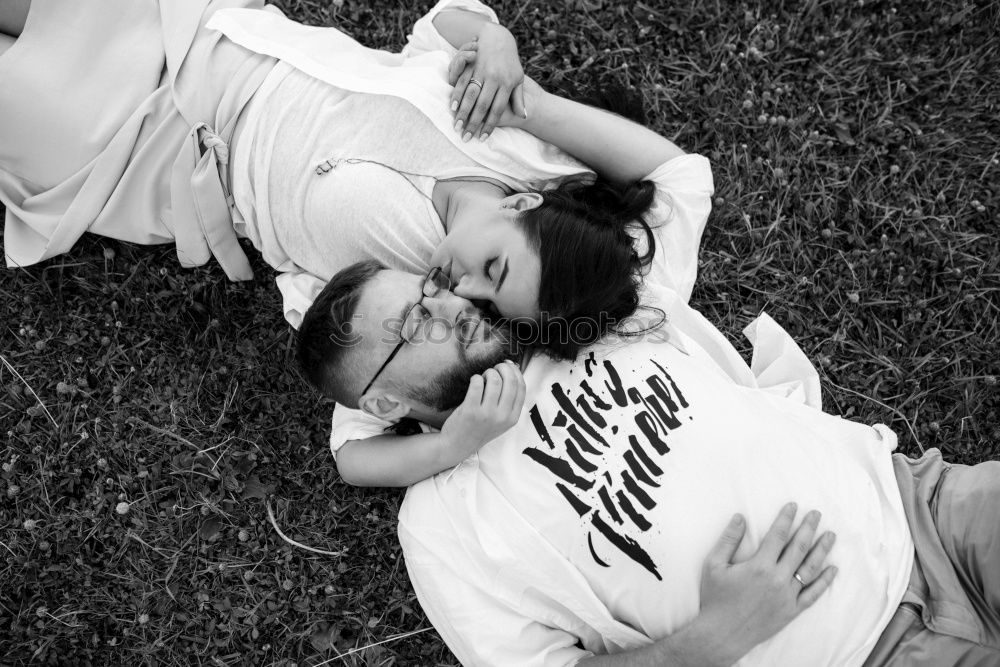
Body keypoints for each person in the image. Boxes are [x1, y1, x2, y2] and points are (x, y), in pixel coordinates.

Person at [1, 0, 710, 488]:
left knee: (26, 88)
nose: (465, 288)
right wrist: (508, 61)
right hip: (219, 37)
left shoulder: (402, 293)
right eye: (494, 267)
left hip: (139, 148)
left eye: (487, 300)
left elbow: (352, 452)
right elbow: (677, 174)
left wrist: (451, 444)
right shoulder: (516, 143)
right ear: (525, 203)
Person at [305, 257, 1000, 666]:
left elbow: (660, 177)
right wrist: (710, 638)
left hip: (927, 506)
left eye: (430, 288)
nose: (449, 307)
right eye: (412, 326)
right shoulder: (441, 523)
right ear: (387, 396)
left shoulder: (569, 312)